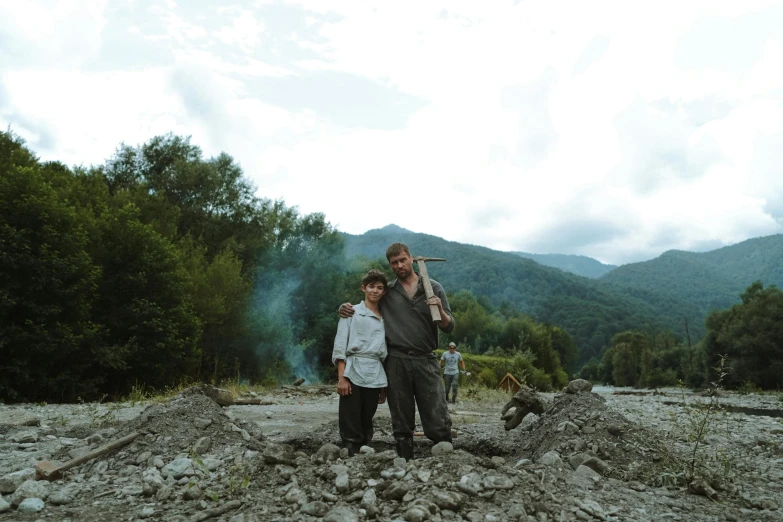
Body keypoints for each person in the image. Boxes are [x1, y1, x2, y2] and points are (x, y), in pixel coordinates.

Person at [340, 242, 455, 460]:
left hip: (426, 359)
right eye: (394, 263)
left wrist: (439, 308)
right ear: (391, 266)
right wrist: (346, 309)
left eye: (403, 260)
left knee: (436, 413)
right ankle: (405, 461)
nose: (399, 265)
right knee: (401, 418)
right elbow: (368, 306)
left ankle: (445, 461)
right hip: (396, 360)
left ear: (411, 258)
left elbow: (449, 326)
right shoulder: (389, 292)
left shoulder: (433, 288)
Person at [332, 269, 389, 456]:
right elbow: (340, 345)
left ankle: (365, 448)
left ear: (384, 292)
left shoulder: (386, 318)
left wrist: (384, 385)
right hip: (353, 367)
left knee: (368, 413)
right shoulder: (351, 312)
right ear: (363, 288)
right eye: (371, 286)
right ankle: (350, 447)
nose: (375, 291)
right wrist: (342, 377)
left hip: (375, 370)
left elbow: (385, 353)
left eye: (380, 288)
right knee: (350, 412)